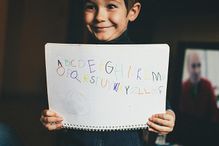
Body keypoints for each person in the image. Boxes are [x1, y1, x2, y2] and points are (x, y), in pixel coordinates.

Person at [40, 0, 175, 145]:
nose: (99, 17)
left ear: (132, 12)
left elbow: (158, 102)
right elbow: (56, 106)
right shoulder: (70, 62)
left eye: (111, 6)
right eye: (91, 7)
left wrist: (169, 116)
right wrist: (48, 117)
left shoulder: (144, 60)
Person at [178, 51, 219, 146]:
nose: (197, 70)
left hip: (206, 134)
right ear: (188, 67)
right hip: (187, 136)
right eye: (193, 66)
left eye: (199, 65)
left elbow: (214, 113)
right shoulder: (183, 87)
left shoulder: (207, 85)